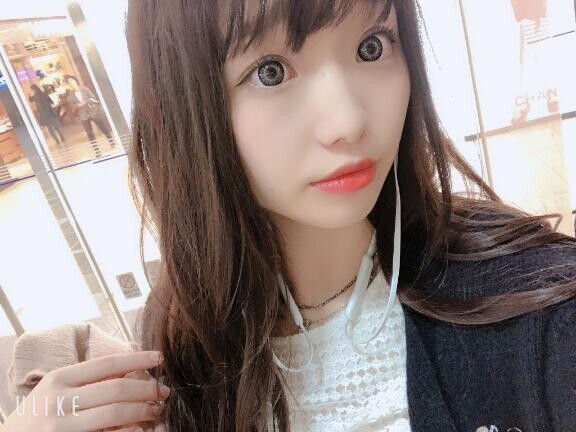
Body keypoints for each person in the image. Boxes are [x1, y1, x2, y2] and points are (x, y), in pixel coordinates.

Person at [3, 1, 576, 431]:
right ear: (188, 108)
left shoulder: (539, 311)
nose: (347, 121)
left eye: (372, 46)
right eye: (271, 71)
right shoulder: (187, 331)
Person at [63, 75, 115, 158]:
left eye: (72, 80)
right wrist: (77, 105)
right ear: (69, 85)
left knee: (102, 127)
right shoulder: (71, 94)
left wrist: (86, 101)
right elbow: (71, 105)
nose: (72, 83)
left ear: (76, 81)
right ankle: (97, 151)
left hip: (92, 112)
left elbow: (93, 98)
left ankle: (111, 140)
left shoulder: (85, 89)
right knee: (89, 133)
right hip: (83, 115)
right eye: (69, 82)